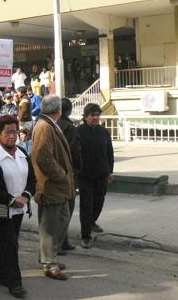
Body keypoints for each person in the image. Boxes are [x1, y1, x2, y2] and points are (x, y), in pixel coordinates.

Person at [0, 115, 35, 299]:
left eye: (14, 132)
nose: (12, 136)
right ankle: (15, 283)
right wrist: (11, 199)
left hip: (20, 209)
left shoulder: (22, 152)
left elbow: (32, 179)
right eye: (7, 132)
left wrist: (26, 196)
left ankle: (1, 275)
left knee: (7, 244)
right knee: (10, 245)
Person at [31, 95, 75, 281]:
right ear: (58, 110)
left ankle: (50, 257)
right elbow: (43, 157)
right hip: (50, 185)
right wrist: (61, 175)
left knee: (61, 221)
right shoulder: (44, 126)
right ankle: (49, 263)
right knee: (50, 226)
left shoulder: (49, 124)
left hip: (59, 186)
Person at [78, 103, 114, 249]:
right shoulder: (79, 131)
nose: (95, 118)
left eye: (97, 115)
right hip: (85, 175)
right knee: (86, 205)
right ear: (86, 117)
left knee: (99, 202)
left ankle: (92, 222)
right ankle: (86, 235)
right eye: (92, 115)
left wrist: (110, 171)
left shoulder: (104, 132)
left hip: (101, 174)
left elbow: (109, 153)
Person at [57, 98, 81, 253]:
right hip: (67, 172)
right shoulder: (69, 127)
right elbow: (74, 151)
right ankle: (60, 242)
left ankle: (62, 240)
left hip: (57, 172)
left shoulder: (52, 125)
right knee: (66, 209)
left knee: (60, 209)